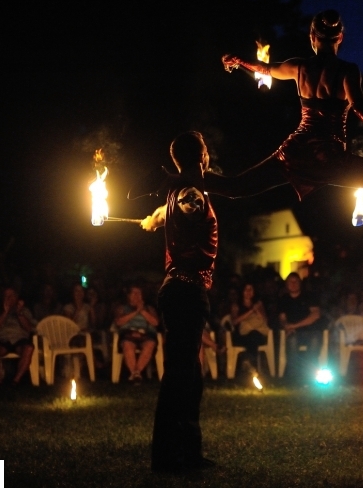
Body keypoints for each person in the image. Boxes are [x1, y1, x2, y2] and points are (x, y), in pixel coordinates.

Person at [213, 9, 363, 200]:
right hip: (331, 158)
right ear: (340, 37)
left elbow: (265, 69)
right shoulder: (347, 71)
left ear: (312, 37)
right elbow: (359, 107)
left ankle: (188, 178)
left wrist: (239, 60)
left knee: (237, 187)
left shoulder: (299, 67)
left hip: (296, 152)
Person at [140, 132, 217, 473]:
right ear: (202, 156)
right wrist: (187, 205)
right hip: (185, 291)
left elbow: (176, 205)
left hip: (181, 291)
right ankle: (175, 459)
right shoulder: (190, 191)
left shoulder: (178, 189)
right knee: (182, 378)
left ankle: (185, 452)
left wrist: (158, 215)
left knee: (189, 376)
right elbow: (190, 203)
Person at [278, 272, 323, 379]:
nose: (293, 284)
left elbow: (315, 315)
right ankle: (294, 376)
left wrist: (294, 325)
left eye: (296, 282)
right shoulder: (283, 299)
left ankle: (311, 374)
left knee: (315, 339)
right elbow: (282, 318)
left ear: (300, 283)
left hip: (311, 331)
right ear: (286, 285)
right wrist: (287, 326)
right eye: (290, 282)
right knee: (292, 341)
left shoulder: (309, 296)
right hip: (294, 333)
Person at [0, 287, 36, 385]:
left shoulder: (24, 311)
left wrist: (19, 313)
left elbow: (29, 328)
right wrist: (5, 313)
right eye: (6, 296)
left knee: (29, 347)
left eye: (11, 295)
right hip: (2, 340)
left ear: (16, 297)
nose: (9, 298)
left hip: (20, 340)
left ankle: (16, 381)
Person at [113, 284, 160, 383]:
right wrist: (135, 312)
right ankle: (136, 374)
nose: (137, 296)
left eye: (139, 293)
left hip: (146, 334)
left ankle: (135, 373)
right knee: (127, 344)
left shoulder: (149, 308)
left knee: (150, 344)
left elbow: (155, 322)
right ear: (129, 296)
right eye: (134, 293)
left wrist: (142, 311)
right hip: (128, 334)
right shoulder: (122, 308)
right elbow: (119, 322)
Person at [229, 282, 270, 369]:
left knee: (254, 335)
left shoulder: (259, 304)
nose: (248, 292)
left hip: (258, 334)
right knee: (252, 336)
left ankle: (249, 362)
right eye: (246, 289)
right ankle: (252, 365)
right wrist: (251, 311)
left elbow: (265, 320)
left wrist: (257, 309)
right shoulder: (236, 305)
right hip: (242, 335)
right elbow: (235, 321)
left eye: (250, 289)